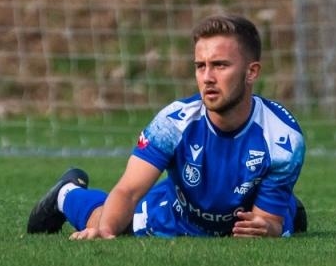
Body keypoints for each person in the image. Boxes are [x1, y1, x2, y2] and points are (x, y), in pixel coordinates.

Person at [25, 13, 306, 240]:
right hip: (178, 215)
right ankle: (67, 193)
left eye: (220, 65)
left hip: (241, 211)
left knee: (277, 223)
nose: (207, 77)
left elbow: (268, 222)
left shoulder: (283, 138)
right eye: (200, 66)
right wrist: (105, 232)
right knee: (109, 222)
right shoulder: (173, 123)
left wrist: (266, 226)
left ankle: (287, 205)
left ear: (251, 72)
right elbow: (129, 190)